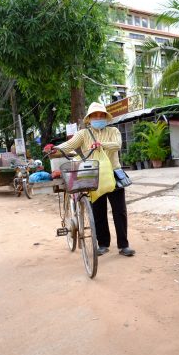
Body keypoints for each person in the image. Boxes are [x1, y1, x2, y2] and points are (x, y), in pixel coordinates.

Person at [44, 102, 135, 257]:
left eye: (101, 115)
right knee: (98, 211)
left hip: (113, 173)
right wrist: (55, 149)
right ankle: (103, 244)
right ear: (89, 119)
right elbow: (69, 145)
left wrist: (102, 145)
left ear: (106, 117)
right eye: (95, 115)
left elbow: (117, 145)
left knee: (119, 211)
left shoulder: (113, 131)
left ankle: (123, 245)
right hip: (92, 174)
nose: (98, 117)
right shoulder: (83, 134)